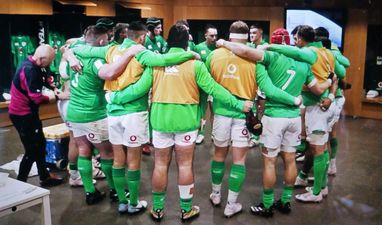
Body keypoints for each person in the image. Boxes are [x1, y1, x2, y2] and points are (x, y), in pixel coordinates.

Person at [107, 24, 253, 222]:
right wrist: (238, 103)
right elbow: (215, 89)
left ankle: (158, 209)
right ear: (187, 43)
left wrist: (114, 99)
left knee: (160, 165)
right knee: (185, 166)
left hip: (160, 121)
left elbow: (138, 89)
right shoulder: (196, 64)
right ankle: (186, 209)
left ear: (167, 41)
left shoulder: (156, 64)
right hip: (186, 122)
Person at [66, 21, 199, 213]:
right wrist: (189, 54)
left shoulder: (110, 51)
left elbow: (82, 50)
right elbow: (161, 64)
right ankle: (134, 204)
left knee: (117, 159)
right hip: (134, 114)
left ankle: (122, 201)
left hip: (112, 113)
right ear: (143, 37)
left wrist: (70, 55)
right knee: (133, 162)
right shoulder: (142, 53)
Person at [218, 28, 335, 217]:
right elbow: (317, 89)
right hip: (294, 119)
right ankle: (286, 201)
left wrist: (224, 43)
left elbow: (249, 57)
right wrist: (331, 84)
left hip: (274, 117)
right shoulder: (304, 64)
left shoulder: (270, 57)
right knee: (289, 160)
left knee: (270, 163)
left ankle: (267, 205)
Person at [206, 21, 302, 218]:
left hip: (221, 114)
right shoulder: (255, 60)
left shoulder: (214, 55)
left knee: (218, 156)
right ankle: (231, 204)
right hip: (244, 115)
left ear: (229, 35)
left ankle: (216, 195)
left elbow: (207, 85)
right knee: (239, 160)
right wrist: (294, 99)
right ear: (246, 36)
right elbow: (267, 89)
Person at [266, 25, 345, 202]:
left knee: (317, 149)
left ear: (301, 39)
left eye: (296, 39)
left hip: (317, 107)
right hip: (326, 105)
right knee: (321, 148)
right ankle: (322, 187)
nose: (295, 43)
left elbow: (315, 86)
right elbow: (341, 73)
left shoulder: (309, 53)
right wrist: (332, 94)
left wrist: (268, 46)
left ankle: (316, 193)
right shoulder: (327, 53)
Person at [63, 25, 115, 205]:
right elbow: (108, 74)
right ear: (101, 41)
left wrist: (69, 56)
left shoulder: (74, 53)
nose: (108, 42)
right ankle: (115, 189)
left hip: (75, 112)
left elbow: (66, 50)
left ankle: (90, 192)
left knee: (84, 151)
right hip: (94, 114)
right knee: (107, 153)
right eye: (107, 40)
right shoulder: (95, 61)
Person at [9, 44, 63, 187]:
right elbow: (36, 97)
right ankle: (20, 183)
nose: (50, 64)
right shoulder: (29, 70)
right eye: (50, 61)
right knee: (32, 150)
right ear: (41, 59)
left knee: (41, 144)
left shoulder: (38, 64)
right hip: (22, 115)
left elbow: (46, 78)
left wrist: (53, 87)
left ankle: (44, 177)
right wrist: (53, 97)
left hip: (30, 113)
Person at [314, 27, 350, 176]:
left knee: (324, 138)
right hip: (329, 97)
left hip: (331, 98)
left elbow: (344, 68)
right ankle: (329, 166)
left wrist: (332, 52)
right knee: (325, 137)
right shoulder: (324, 52)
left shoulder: (330, 51)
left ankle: (327, 172)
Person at [193, 24, 218, 144]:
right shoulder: (198, 48)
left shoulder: (218, 49)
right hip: (202, 85)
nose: (214, 38)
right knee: (202, 110)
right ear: (206, 35)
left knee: (215, 110)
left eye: (216, 35)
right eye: (212, 35)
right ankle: (200, 133)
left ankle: (215, 133)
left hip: (214, 84)